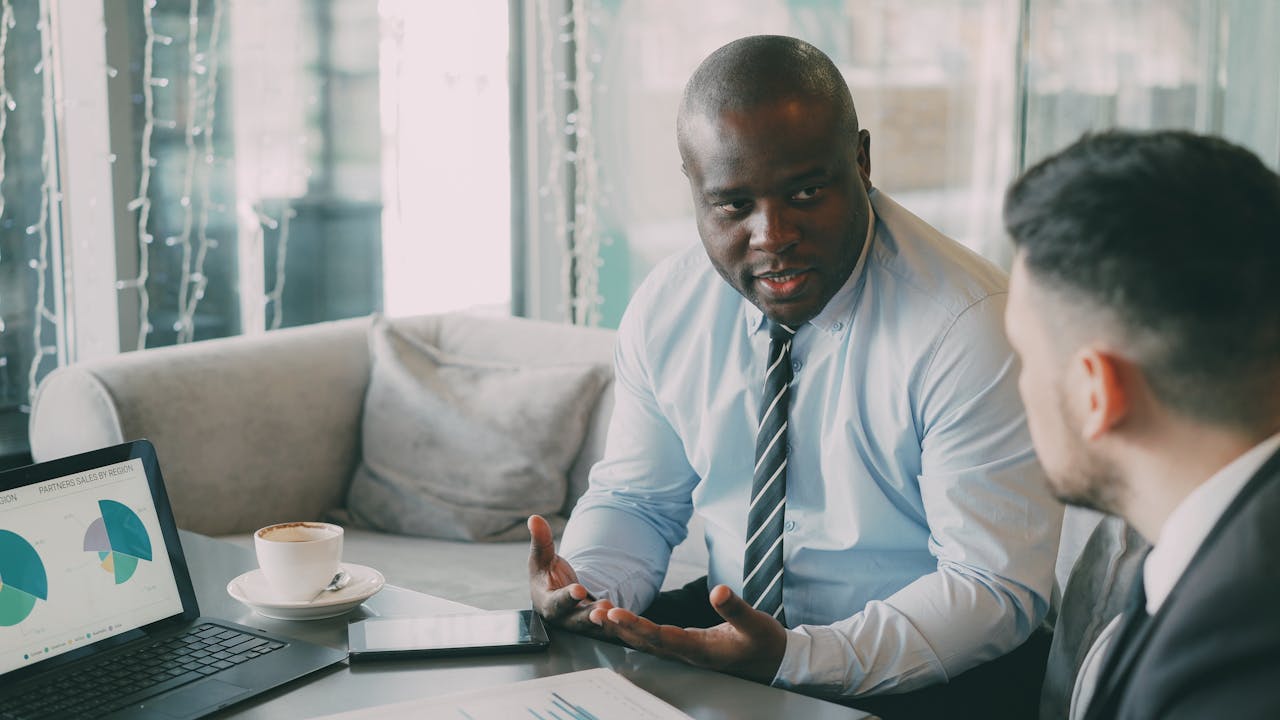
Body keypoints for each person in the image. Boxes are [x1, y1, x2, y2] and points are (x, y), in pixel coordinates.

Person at [528, 35, 1062, 716]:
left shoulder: (968, 326)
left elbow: (991, 585)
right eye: (733, 204)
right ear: (695, 189)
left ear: (862, 161)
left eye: (806, 191)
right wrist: (588, 589)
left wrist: (798, 659)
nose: (772, 235)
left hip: (939, 669)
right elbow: (638, 500)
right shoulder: (668, 308)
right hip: (745, 631)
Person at [1002, 129, 1280, 719]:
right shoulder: (1205, 546)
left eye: (1024, 357)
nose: (1019, 386)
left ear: (1096, 391)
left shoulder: (1238, 665)